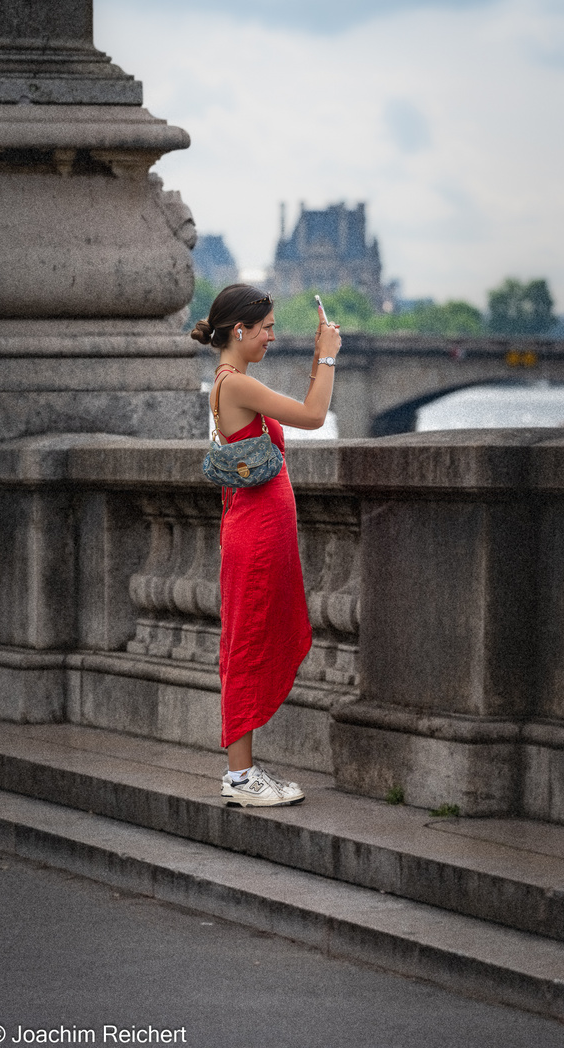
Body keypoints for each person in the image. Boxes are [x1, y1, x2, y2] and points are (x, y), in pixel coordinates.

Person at [191, 284, 342, 807]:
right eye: (267, 328)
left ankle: (246, 771)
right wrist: (326, 354)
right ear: (240, 331)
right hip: (255, 534)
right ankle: (239, 777)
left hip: (258, 529)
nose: (273, 336)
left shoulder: (234, 383)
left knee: (251, 638)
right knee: (247, 644)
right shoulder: (234, 385)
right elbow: (314, 415)